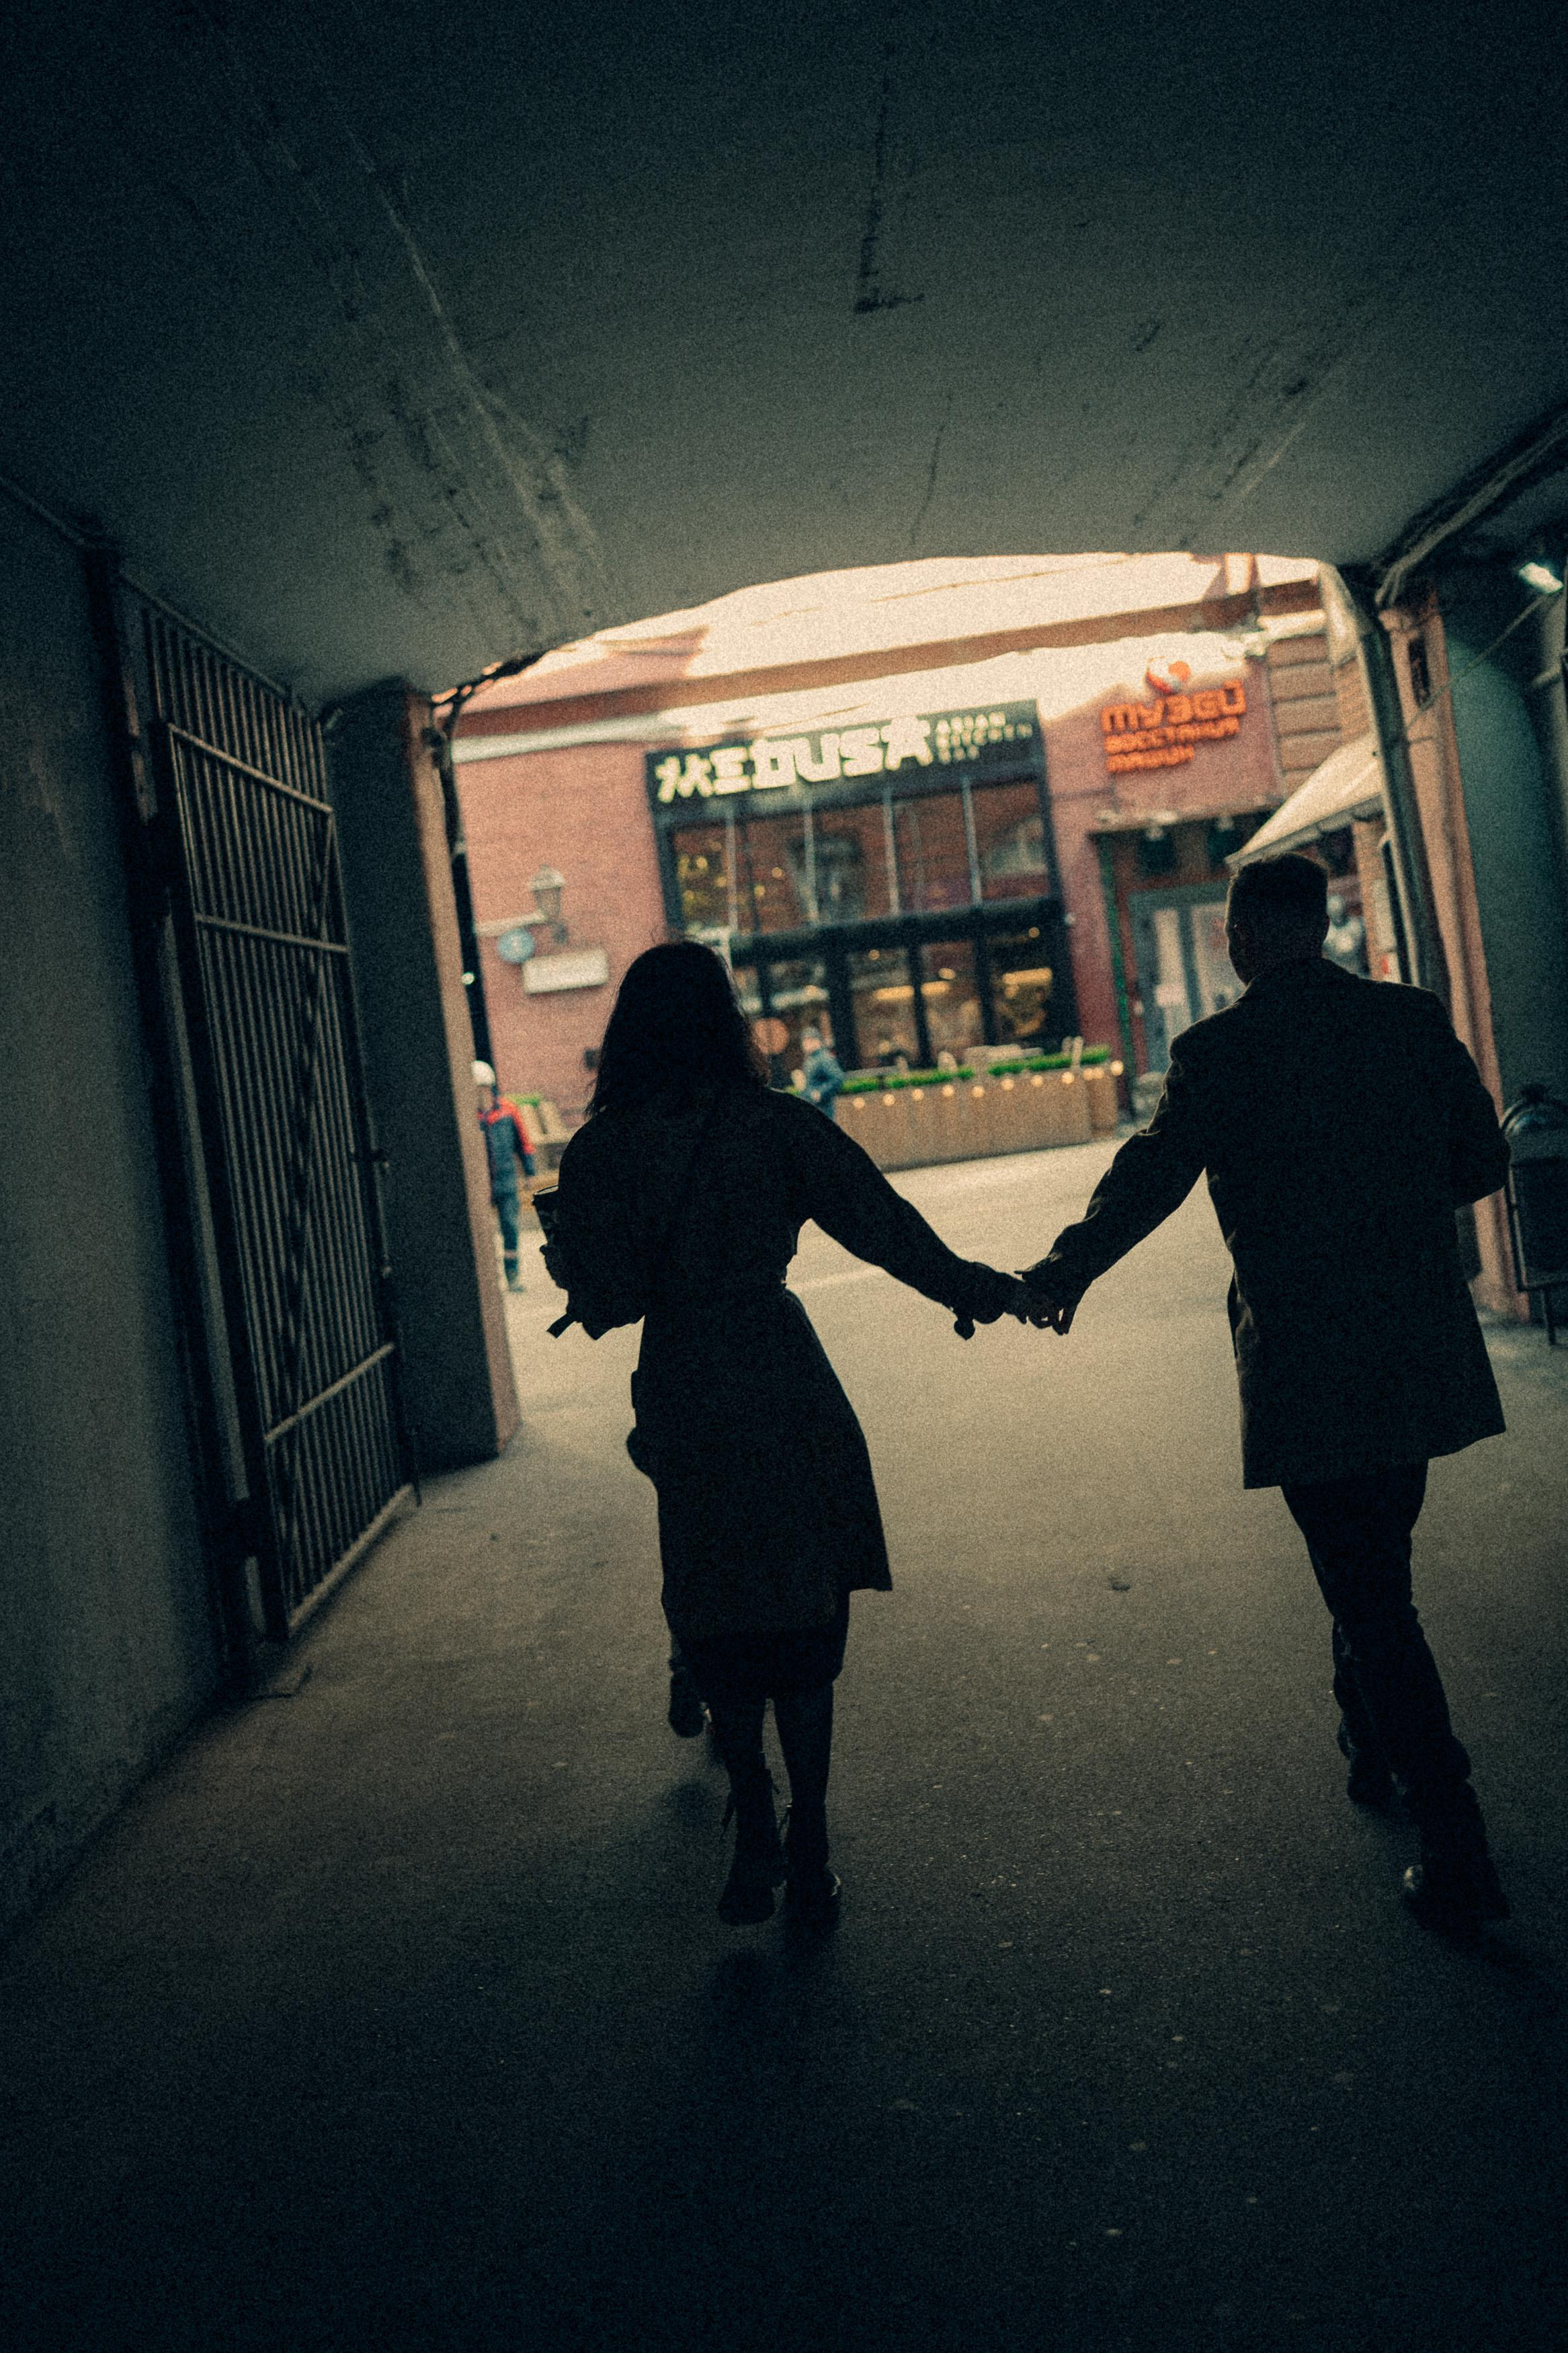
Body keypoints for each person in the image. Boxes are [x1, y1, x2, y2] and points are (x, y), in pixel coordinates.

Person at [1020, 854, 1513, 1935]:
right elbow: (1480, 1163)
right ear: (1325, 926)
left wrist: (1060, 1275)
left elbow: (1147, 1180)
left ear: (1240, 939)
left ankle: (1456, 1840)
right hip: (1414, 1342)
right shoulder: (1411, 1020)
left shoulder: (1219, 1053)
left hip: (1307, 1360)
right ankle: (1370, 1740)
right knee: (1377, 1558)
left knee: (1372, 1596)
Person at [544, 942, 1026, 1929]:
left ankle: (752, 1809)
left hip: (681, 1381)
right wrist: (983, 1290)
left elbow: (602, 1301)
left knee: (716, 1595)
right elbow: (884, 1229)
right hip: (776, 1369)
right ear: (727, 1020)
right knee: (804, 1607)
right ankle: (809, 1838)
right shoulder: (775, 1128)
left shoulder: (600, 1152)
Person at [474, 1061, 536, 1291]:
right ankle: (487, 1278)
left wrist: (529, 1172)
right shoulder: (471, 1117)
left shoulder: (508, 1111)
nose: (478, 1094)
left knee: (510, 1226)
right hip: (482, 1184)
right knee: (482, 1231)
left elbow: (524, 1143)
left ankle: (512, 1273)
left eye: (481, 1088)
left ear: (489, 1087)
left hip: (506, 1181)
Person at [799, 1027, 845, 1119]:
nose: (805, 1045)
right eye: (804, 1042)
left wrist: (821, 1093)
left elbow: (838, 1077)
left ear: (817, 1041)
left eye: (808, 1041)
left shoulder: (824, 1058)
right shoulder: (810, 1059)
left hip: (823, 1107)